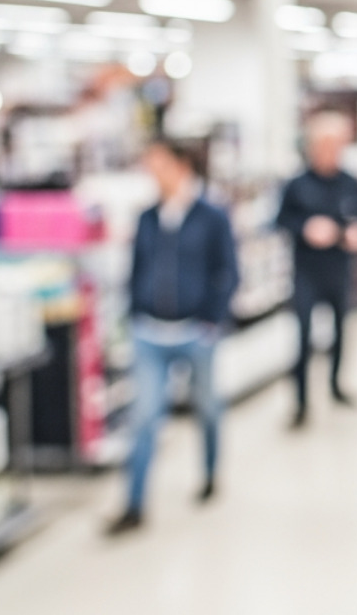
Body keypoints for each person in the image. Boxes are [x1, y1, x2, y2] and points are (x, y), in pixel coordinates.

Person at [107, 139, 238, 535]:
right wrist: (133, 312)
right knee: (144, 419)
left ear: (181, 167)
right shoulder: (147, 217)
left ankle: (211, 473)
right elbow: (136, 268)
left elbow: (228, 271)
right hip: (149, 333)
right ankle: (133, 504)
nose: (152, 174)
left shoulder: (211, 218)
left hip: (195, 333)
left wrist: (211, 320)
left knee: (208, 408)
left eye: (159, 165)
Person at [276, 110, 357, 427]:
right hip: (306, 271)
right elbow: (281, 221)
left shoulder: (350, 183)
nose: (332, 151)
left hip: (340, 269)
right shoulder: (296, 185)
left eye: (338, 145)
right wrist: (306, 228)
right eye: (327, 144)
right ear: (313, 146)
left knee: (341, 330)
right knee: (303, 336)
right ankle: (301, 402)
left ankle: (335, 385)